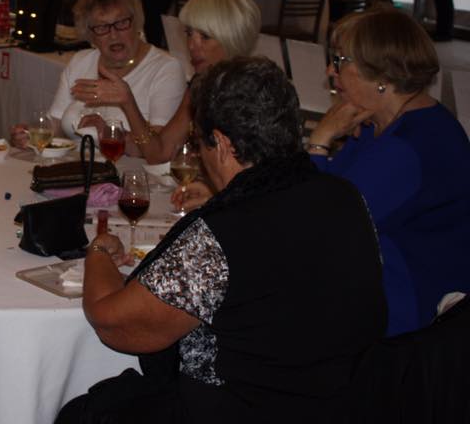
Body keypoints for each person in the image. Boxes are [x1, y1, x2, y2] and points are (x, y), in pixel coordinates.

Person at [58, 56, 387, 424]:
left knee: (81, 413)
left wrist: (99, 251)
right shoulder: (345, 196)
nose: (200, 155)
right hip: (347, 404)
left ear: (223, 143)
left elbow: (114, 324)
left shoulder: (222, 233)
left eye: (199, 143)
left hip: (244, 410)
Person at [306, 9, 470, 335]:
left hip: (405, 311)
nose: (330, 71)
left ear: (380, 76)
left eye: (340, 61)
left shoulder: (409, 147)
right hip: (373, 282)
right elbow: (322, 194)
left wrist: (320, 141)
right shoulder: (379, 124)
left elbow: (319, 226)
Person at [11, 0, 183, 153]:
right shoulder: (81, 61)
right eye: (102, 27)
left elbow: (160, 150)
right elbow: (56, 125)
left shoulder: (165, 69)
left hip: (131, 169)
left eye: (121, 23)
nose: (113, 35)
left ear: (136, 23)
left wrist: (108, 133)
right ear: (90, 35)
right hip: (77, 165)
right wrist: (30, 134)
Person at [136, 0, 261, 165]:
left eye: (205, 36)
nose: (191, 45)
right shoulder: (201, 83)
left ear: (233, 39)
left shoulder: (253, 92)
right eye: (189, 33)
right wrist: (128, 102)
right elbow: (161, 152)